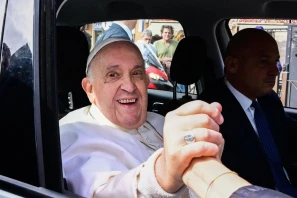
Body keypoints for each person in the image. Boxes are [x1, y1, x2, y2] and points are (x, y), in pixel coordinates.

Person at [59, 38, 225, 198]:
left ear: (146, 81)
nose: (129, 86)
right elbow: (104, 191)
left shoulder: (159, 121)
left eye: (136, 73)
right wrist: (164, 174)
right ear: (90, 88)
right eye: (113, 75)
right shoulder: (71, 132)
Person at [201, 28, 297, 197]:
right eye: (263, 62)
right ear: (232, 65)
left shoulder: (268, 100)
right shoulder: (209, 112)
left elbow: (289, 127)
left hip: (292, 189)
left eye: (276, 61)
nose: (275, 70)